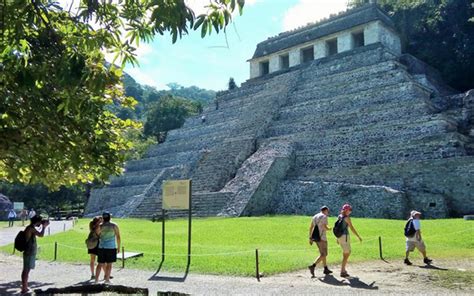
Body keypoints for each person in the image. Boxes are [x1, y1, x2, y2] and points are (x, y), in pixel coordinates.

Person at [21, 215, 49, 293]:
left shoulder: (30, 227)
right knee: (26, 270)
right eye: (40, 222)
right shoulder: (30, 228)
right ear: (37, 221)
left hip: (29, 251)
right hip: (29, 252)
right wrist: (44, 227)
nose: (40, 223)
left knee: (26, 269)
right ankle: (24, 288)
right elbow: (41, 235)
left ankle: (25, 286)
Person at [336, 204, 362, 278]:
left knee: (347, 252)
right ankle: (342, 271)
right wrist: (358, 236)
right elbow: (352, 228)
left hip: (340, 237)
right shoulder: (347, 218)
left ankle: (343, 270)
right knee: (346, 254)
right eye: (350, 210)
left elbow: (337, 227)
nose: (350, 211)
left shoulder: (339, 216)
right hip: (345, 237)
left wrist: (337, 238)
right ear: (346, 210)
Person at [95, 212, 121, 284]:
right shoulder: (114, 225)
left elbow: (97, 234)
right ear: (110, 217)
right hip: (111, 247)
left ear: (103, 218)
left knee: (100, 264)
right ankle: (107, 280)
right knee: (109, 264)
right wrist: (118, 247)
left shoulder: (100, 226)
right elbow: (118, 236)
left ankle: (96, 280)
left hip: (102, 246)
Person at [308, 206, 333, 277]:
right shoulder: (324, 217)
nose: (328, 213)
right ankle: (313, 265)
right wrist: (330, 229)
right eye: (328, 211)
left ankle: (325, 268)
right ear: (325, 211)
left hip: (316, 237)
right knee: (324, 254)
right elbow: (325, 227)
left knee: (322, 253)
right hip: (322, 237)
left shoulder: (314, 216)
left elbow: (311, 227)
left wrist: (310, 238)